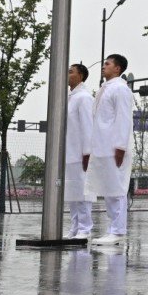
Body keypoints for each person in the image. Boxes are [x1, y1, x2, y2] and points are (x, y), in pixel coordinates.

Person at [89, 54, 134, 245]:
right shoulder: (105, 88)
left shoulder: (121, 89)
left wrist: (120, 146)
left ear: (118, 69)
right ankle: (112, 229)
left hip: (114, 146)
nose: (103, 66)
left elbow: (124, 118)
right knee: (108, 189)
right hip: (102, 145)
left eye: (107, 64)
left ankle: (117, 231)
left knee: (116, 189)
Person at [65, 62, 95, 240]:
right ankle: (75, 227)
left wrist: (87, 152)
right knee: (72, 191)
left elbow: (88, 126)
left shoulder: (84, 97)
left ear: (81, 76)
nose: (67, 74)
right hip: (70, 152)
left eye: (71, 72)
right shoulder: (70, 97)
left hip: (80, 153)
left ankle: (85, 228)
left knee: (83, 191)